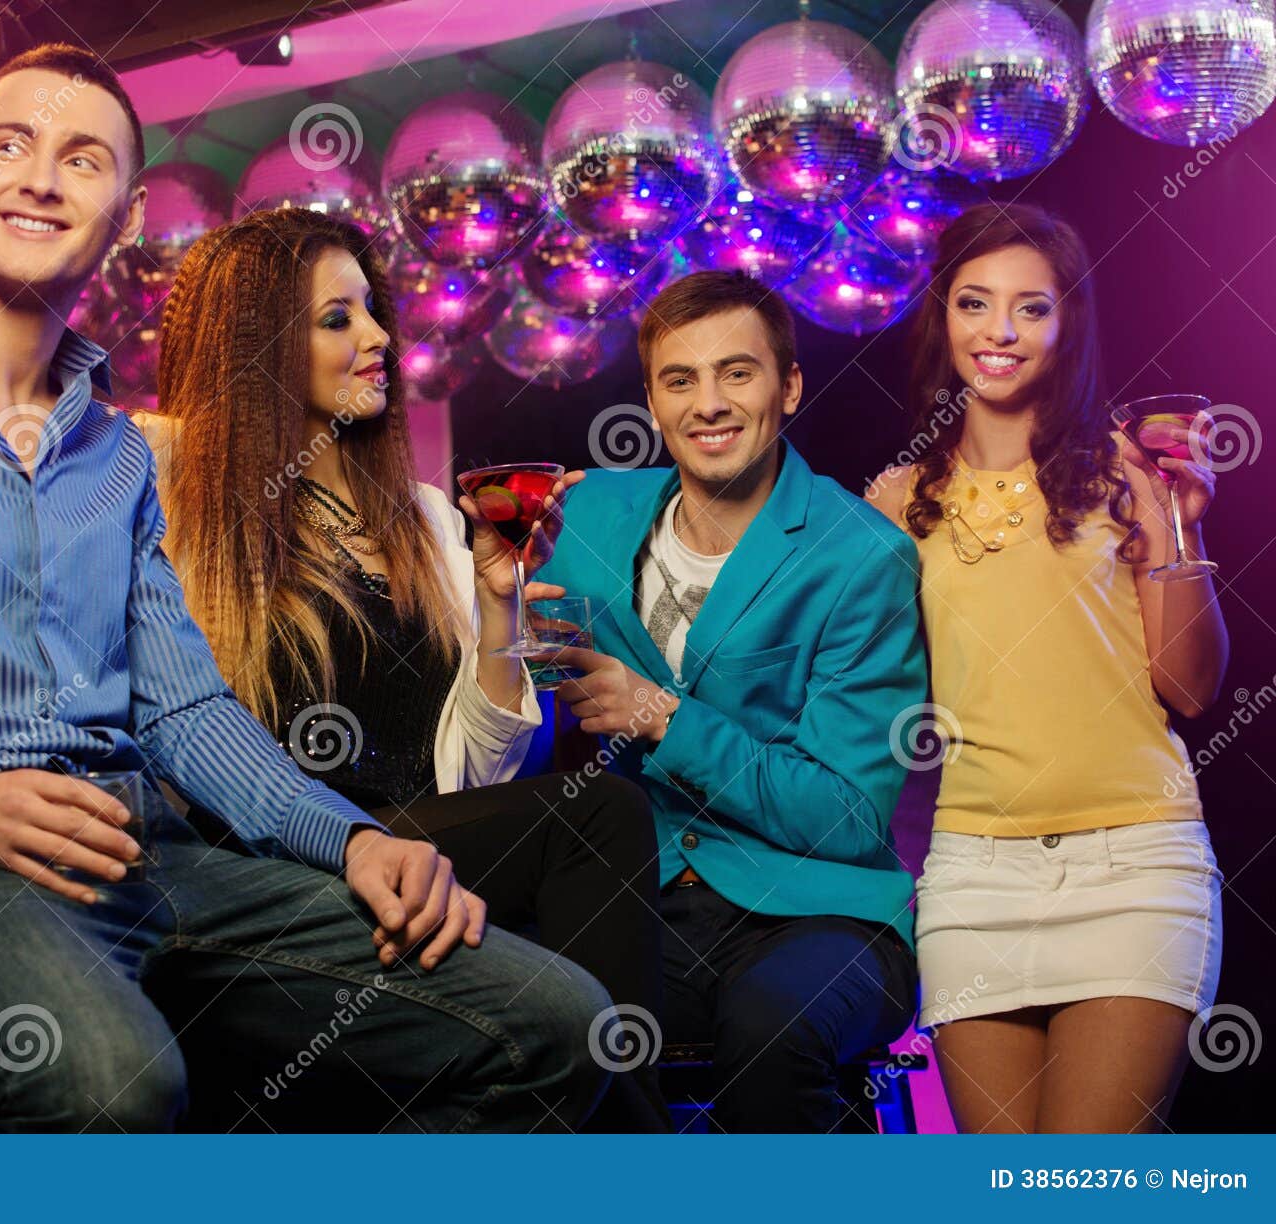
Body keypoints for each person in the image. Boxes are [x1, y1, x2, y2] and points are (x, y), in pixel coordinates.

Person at [0, 43, 613, 1133]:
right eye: (10, 145)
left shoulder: (116, 455)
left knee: (554, 1019)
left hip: (149, 854)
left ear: (122, 218)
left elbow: (186, 711)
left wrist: (353, 838)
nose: (38, 176)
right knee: (114, 1084)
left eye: (82, 159)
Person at [142, 207, 669, 1130]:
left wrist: (501, 596)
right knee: (599, 813)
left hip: (422, 848)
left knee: (591, 814)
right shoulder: (179, 501)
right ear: (256, 344)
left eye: (373, 311)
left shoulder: (425, 518)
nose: (381, 336)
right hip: (280, 869)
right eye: (336, 317)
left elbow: (477, 775)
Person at [864, 202, 1227, 1134]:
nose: (1000, 332)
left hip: (1136, 865)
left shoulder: (1126, 468)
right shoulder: (896, 502)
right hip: (974, 878)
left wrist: (1180, 521)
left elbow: (1191, 688)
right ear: (942, 317)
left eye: (1032, 308)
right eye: (976, 304)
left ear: (1067, 326)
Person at [534, 270, 926, 1132]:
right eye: (681, 380)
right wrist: (492, 592)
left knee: (772, 1029)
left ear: (787, 386)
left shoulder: (862, 556)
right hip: (645, 904)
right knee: (548, 1030)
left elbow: (850, 814)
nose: (708, 403)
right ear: (651, 400)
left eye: (736, 373)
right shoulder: (584, 513)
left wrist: (664, 716)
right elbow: (524, 698)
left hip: (821, 911)